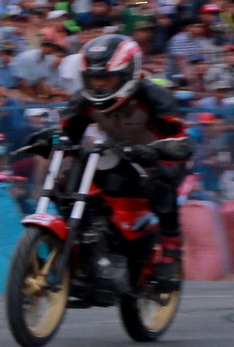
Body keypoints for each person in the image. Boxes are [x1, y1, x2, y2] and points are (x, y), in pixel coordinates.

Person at [22, 34, 192, 288]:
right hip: (116, 154)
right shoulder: (84, 100)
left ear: (128, 75)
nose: (99, 85)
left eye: (107, 78)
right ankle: (85, 249)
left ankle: (171, 249)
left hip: (159, 158)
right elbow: (68, 135)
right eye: (94, 79)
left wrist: (154, 150)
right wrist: (48, 140)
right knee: (67, 181)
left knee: (155, 178)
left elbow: (184, 143)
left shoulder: (154, 96)